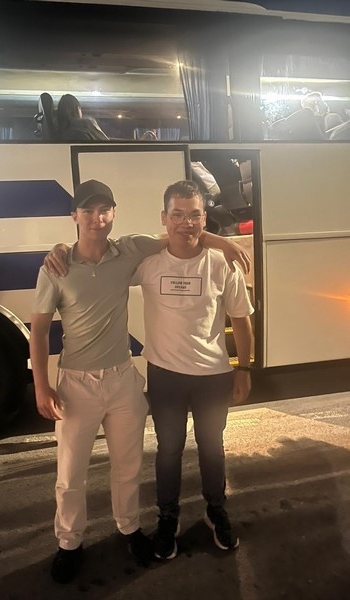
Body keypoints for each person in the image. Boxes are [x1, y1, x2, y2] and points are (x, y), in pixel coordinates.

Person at [36, 180, 251, 583]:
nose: (97, 219)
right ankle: (94, 537)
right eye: (88, 211)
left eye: (104, 210)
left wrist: (219, 240)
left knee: (162, 459)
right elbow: (47, 320)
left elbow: (185, 238)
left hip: (166, 377)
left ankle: (171, 520)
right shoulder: (94, 264)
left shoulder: (167, 257)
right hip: (117, 379)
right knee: (97, 467)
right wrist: (42, 386)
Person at [131, 180, 254, 560]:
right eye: (178, 215)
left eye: (194, 215)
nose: (186, 222)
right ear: (164, 218)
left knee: (212, 448)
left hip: (213, 376)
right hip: (165, 375)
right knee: (168, 450)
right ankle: (168, 517)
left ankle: (216, 510)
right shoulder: (148, 263)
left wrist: (244, 369)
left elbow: (241, 319)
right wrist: (60, 249)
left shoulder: (222, 263)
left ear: (204, 217)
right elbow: (103, 255)